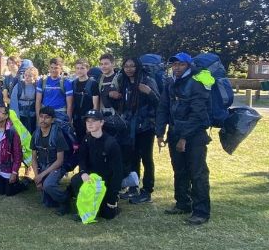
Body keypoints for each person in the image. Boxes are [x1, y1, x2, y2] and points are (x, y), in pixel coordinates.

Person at [155, 52, 212, 225]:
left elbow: (198, 114)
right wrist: (159, 133)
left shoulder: (197, 84)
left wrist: (184, 138)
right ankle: (182, 203)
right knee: (179, 170)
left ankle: (201, 211)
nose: (177, 67)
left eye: (181, 64)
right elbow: (163, 107)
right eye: (174, 65)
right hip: (174, 132)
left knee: (197, 172)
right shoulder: (170, 83)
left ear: (189, 65)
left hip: (195, 135)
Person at [110, 57, 159, 205]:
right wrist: (112, 97)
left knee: (147, 158)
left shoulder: (148, 81)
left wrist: (149, 92)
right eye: (126, 66)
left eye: (132, 66)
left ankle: (147, 190)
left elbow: (159, 103)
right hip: (129, 126)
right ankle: (133, 187)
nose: (129, 69)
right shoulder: (123, 82)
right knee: (132, 157)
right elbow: (121, 105)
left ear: (138, 67)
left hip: (145, 126)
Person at [69, 110, 123, 221]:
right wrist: (83, 172)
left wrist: (112, 198)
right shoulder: (86, 139)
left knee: (107, 215)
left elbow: (118, 173)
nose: (90, 124)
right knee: (76, 180)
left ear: (102, 123)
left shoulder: (111, 144)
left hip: (106, 181)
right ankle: (83, 203)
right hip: (90, 178)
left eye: (93, 121)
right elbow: (81, 158)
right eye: (87, 121)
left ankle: (110, 203)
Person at [31, 105, 70, 213]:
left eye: (47, 117)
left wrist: (41, 176)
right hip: (42, 166)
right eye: (41, 117)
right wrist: (37, 177)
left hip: (56, 166)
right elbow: (34, 158)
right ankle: (59, 195)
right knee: (47, 203)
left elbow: (60, 161)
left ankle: (65, 200)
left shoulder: (58, 136)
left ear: (52, 119)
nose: (43, 120)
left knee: (48, 185)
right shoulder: (36, 134)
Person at [0, 104, 27, 197]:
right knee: (0, 192)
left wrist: (14, 172)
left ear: (6, 115)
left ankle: (23, 184)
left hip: (9, 169)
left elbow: (17, 154)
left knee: (9, 193)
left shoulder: (12, 132)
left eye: (0, 113)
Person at [35, 57, 73, 124]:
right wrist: (38, 118)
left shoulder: (66, 82)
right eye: (51, 68)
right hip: (45, 114)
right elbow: (38, 100)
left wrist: (68, 121)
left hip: (60, 114)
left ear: (61, 69)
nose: (53, 70)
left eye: (56, 68)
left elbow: (70, 104)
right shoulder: (42, 81)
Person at [71, 59, 98, 144]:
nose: (79, 70)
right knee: (78, 141)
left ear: (87, 69)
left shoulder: (93, 83)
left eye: (82, 68)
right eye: (77, 68)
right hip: (76, 118)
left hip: (88, 118)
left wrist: (92, 121)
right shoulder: (73, 83)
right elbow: (71, 103)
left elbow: (96, 106)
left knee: (90, 142)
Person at [9, 63, 39, 137]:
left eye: (30, 76)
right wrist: (15, 119)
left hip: (33, 117)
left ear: (35, 77)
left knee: (32, 135)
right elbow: (13, 104)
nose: (27, 77)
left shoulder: (37, 87)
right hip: (21, 117)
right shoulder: (18, 86)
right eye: (25, 75)